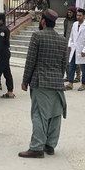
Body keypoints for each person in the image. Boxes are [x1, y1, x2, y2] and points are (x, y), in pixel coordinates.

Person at [19, 9, 67, 158]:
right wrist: (58, 78)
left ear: (43, 21)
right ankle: (50, 145)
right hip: (57, 84)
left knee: (39, 115)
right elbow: (63, 64)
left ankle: (37, 148)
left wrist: (25, 80)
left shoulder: (37, 36)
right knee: (54, 115)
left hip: (40, 82)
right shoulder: (62, 40)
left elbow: (30, 60)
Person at [65, 8, 85, 91]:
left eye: (80, 15)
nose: (78, 17)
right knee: (72, 66)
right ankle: (70, 83)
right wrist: (70, 44)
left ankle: (83, 84)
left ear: (84, 16)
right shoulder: (75, 24)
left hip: (82, 49)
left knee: (83, 67)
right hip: (74, 48)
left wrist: (84, 50)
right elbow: (71, 36)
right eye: (77, 15)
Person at [63, 7, 80, 83]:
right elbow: (65, 31)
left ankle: (78, 75)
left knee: (76, 59)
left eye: (71, 12)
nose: (69, 14)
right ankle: (68, 75)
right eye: (68, 12)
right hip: (67, 42)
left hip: (75, 43)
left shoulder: (77, 22)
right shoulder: (66, 21)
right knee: (67, 59)